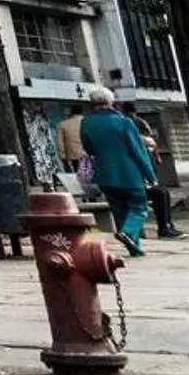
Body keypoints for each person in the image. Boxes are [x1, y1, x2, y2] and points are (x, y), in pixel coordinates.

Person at [78, 86, 156, 256]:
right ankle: (128, 233)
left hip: (104, 173)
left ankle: (133, 247)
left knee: (118, 209)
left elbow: (88, 148)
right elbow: (138, 150)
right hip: (129, 173)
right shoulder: (124, 122)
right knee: (139, 207)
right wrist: (150, 175)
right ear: (110, 101)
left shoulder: (86, 122)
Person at [139, 124, 185, 240]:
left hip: (143, 184)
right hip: (137, 185)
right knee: (160, 193)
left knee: (163, 192)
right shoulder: (140, 155)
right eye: (149, 146)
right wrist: (150, 182)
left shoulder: (148, 155)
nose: (151, 149)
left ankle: (168, 225)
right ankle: (164, 228)